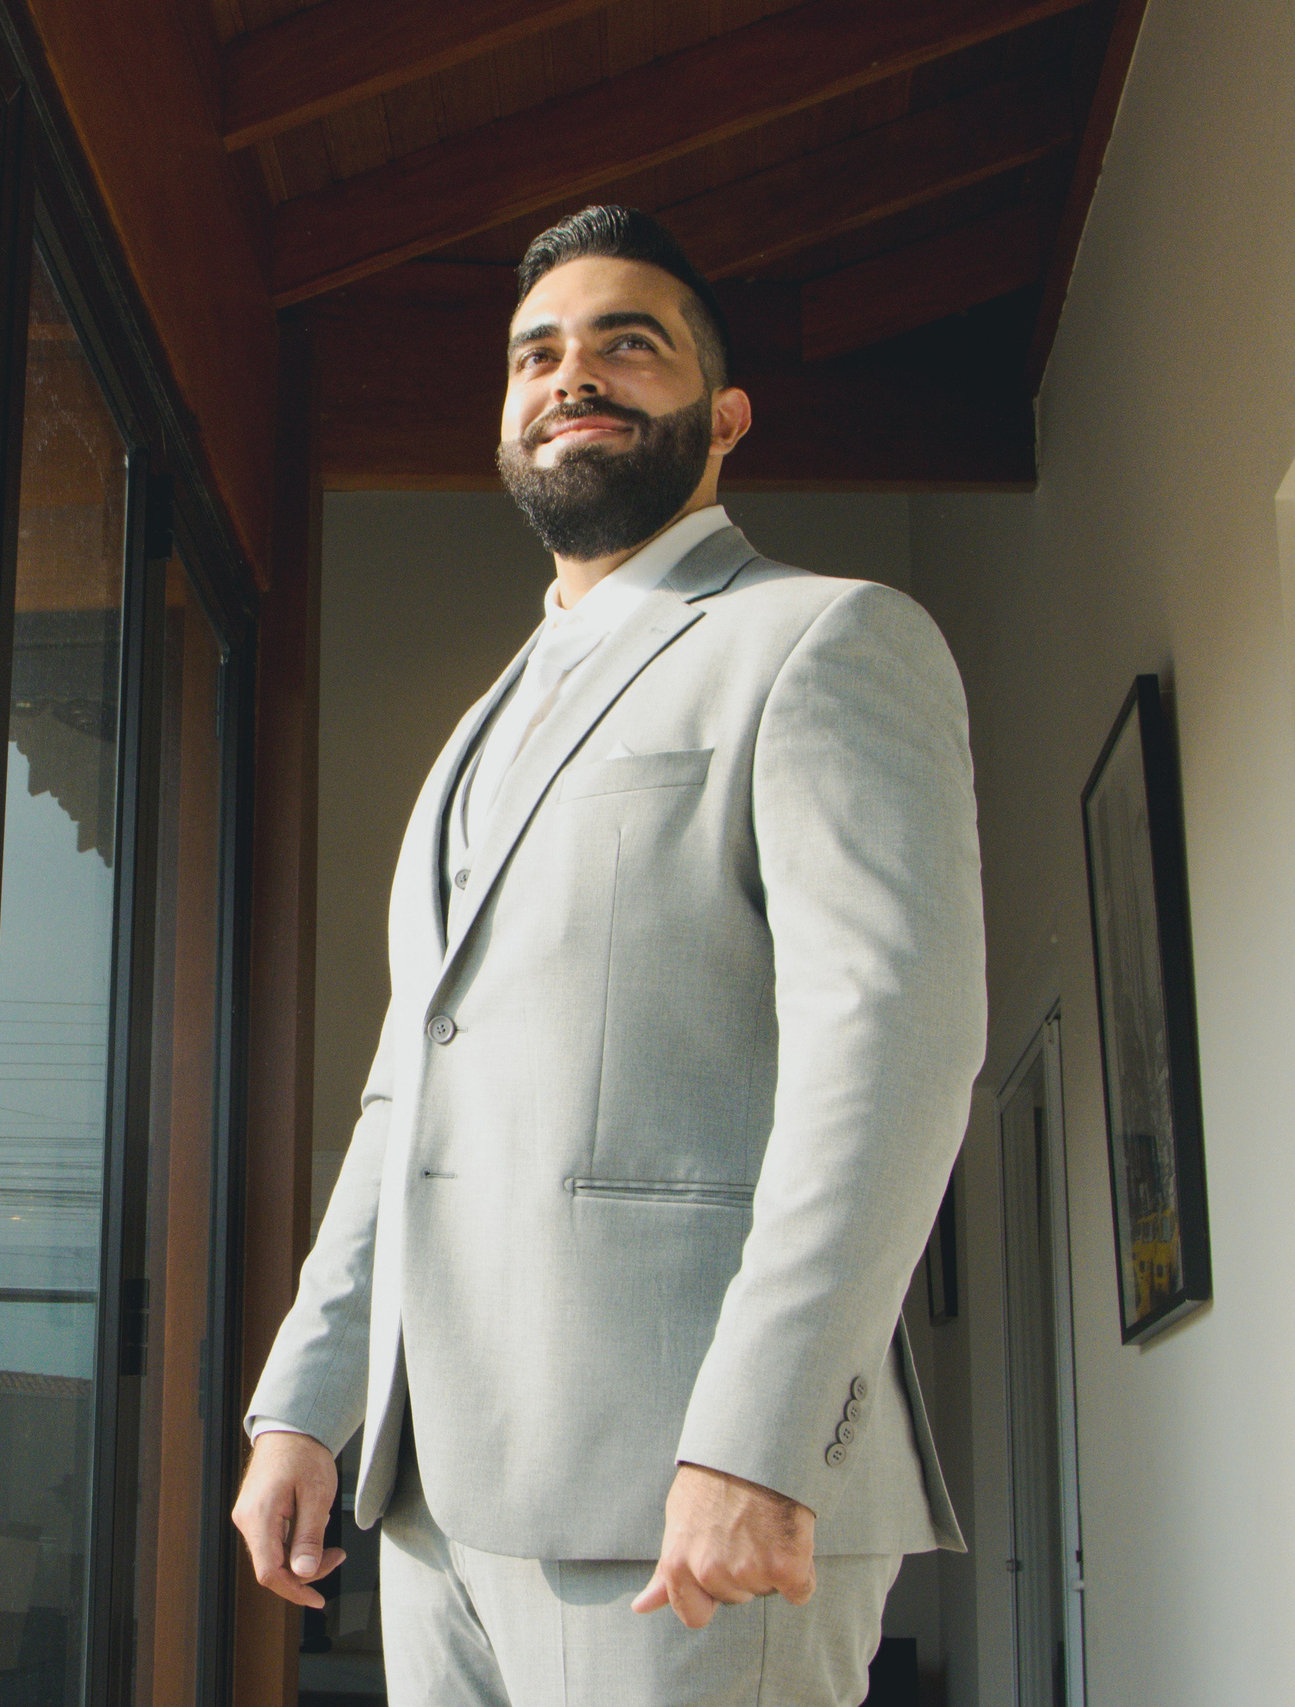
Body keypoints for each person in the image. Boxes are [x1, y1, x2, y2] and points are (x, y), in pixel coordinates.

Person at [232, 206, 983, 1706]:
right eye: (537, 354)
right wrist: (304, 1401)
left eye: (627, 344)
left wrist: (756, 1435)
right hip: (437, 1506)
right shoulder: (481, 722)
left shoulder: (826, 638)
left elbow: (890, 1053)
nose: (572, 373)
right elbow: (408, 1094)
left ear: (725, 417)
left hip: (684, 1493)